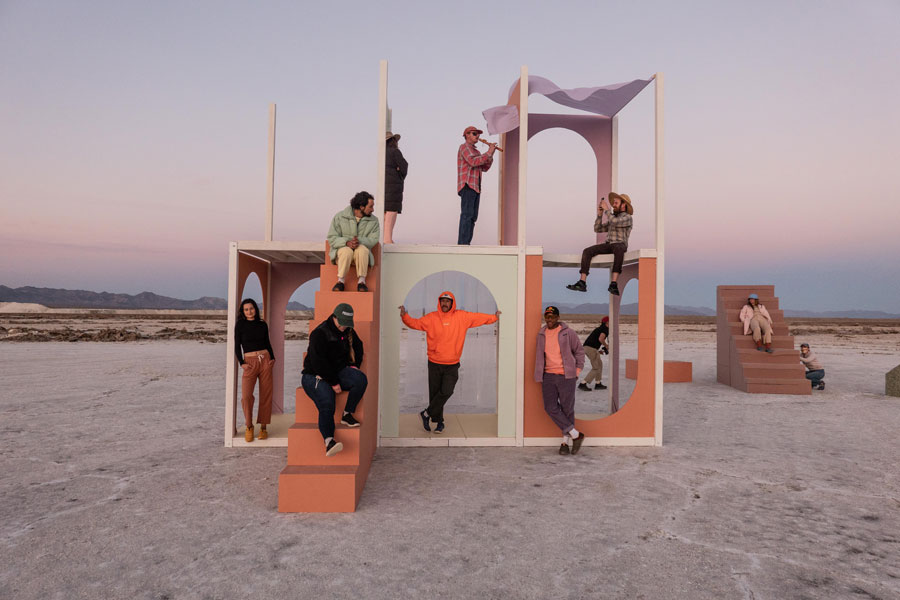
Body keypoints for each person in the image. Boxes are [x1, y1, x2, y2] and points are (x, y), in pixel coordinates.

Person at [399, 291, 500, 433]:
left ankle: (426, 414)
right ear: (439, 302)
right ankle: (439, 422)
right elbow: (415, 323)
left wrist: (494, 317)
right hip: (434, 363)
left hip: (452, 364)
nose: (445, 303)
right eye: (442, 301)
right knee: (435, 394)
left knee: (447, 390)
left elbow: (479, 318)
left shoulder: (462, 316)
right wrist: (404, 316)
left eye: (448, 301)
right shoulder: (431, 318)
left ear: (452, 303)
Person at [300, 303, 367, 457]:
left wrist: (355, 365)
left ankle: (347, 413)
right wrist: (333, 382)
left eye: (347, 324)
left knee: (360, 380)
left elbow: (359, 346)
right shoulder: (319, 333)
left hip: (338, 371)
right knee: (328, 402)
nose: (344, 327)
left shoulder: (348, 330)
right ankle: (329, 441)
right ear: (334, 317)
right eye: (342, 323)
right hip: (314, 375)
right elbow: (318, 362)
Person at [534, 306, 586, 455]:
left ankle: (565, 443)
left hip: (566, 376)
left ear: (557, 317)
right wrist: (539, 374)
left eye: (552, 317)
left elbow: (579, 351)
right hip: (548, 376)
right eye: (547, 317)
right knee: (550, 407)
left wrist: (576, 371)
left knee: (567, 409)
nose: (549, 320)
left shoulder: (568, 333)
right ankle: (576, 434)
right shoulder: (541, 334)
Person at [566, 192, 634, 296]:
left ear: (623, 205)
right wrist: (600, 215)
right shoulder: (612, 217)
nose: (613, 205)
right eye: (613, 203)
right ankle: (582, 282)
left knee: (619, 249)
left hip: (620, 244)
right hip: (608, 245)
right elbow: (597, 229)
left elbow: (615, 221)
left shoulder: (627, 217)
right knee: (587, 251)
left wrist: (606, 210)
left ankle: (614, 283)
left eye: (616, 203)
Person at [234, 298, 275, 442]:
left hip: (265, 360)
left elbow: (267, 342)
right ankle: (249, 426)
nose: (249, 312)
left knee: (266, 394)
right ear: (243, 312)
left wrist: (272, 359)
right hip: (249, 363)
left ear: (255, 309)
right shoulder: (240, 325)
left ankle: (263, 428)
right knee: (246, 396)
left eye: (251, 309)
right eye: (246, 309)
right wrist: (242, 363)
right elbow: (237, 345)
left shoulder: (262, 325)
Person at [327, 191, 380, 292]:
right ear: (361, 207)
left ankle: (361, 282)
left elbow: (374, 239)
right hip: (342, 255)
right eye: (371, 206)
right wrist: (347, 242)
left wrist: (359, 241)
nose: (373, 210)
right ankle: (340, 281)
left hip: (361, 257)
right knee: (346, 251)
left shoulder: (374, 221)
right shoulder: (339, 217)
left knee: (362, 249)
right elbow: (332, 237)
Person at [456, 125, 496, 245]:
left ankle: (466, 243)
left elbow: (484, 167)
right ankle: (462, 244)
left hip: (476, 187)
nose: (477, 136)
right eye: (474, 134)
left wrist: (491, 154)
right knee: (467, 215)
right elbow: (473, 162)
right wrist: (488, 152)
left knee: (473, 217)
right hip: (468, 184)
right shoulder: (464, 147)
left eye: (478, 134)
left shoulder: (477, 151)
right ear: (467, 135)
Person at [383, 132, 408, 244]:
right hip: (394, 185)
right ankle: (388, 239)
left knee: (385, 213)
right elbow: (404, 166)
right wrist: (399, 173)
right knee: (392, 212)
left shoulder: (382, 153)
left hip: (384, 185)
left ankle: (385, 238)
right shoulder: (395, 152)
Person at [578, 316, 609, 391]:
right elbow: (601, 339)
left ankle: (598, 383)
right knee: (596, 367)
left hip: (590, 348)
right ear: (607, 322)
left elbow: (595, 340)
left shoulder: (600, 328)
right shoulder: (605, 329)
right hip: (590, 348)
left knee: (599, 365)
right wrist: (606, 345)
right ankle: (583, 383)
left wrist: (598, 351)